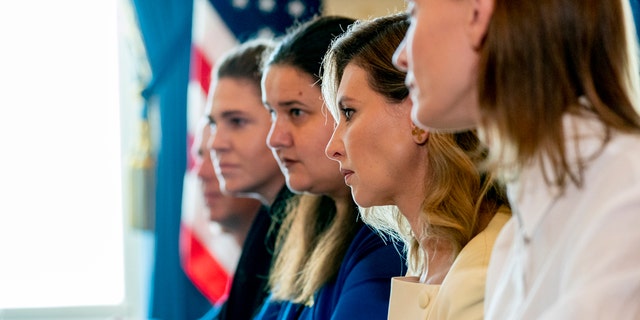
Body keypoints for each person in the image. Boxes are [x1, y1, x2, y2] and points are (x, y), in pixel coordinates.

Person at [393, 0, 640, 318]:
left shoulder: (623, 192)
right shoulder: (521, 227)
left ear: (478, 13)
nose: (399, 57)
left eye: (414, 15)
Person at [323, 13, 510, 319]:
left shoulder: (487, 267)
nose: (332, 148)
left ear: (418, 114)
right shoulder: (427, 257)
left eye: (349, 112)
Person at [254, 16, 406, 320]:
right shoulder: (308, 223)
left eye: (296, 112)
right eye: (272, 113)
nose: (274, 139)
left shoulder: (388, 243)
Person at [202, 39, 293, 320]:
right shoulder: (269, 223)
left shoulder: (312, 230)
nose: (216, 143)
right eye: (215, 123)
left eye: (237, 122)